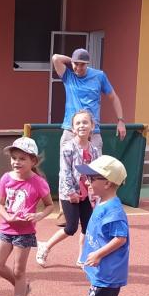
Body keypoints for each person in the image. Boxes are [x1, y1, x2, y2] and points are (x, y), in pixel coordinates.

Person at [51, 47, 126, 225]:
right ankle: (65, 211)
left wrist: (120, 120)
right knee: (65, 171)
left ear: (88, 64)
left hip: (94, 132)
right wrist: (73, 60)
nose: (78, 68)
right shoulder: (68, 75)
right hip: (70, 131)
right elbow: (55, 58)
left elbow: (113, 97)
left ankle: (97, 208)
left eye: (82, 65)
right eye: (76, 64)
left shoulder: (99, 76)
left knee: (97, 171)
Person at [0, 137, 53, 296]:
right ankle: (22, 286)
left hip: (25, 232)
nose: (16, 162)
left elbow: (50, 206)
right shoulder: (6, 178)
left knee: (19, 270)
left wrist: (38, 215)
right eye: (14, 158)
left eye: (22, 158)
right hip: (6, 228)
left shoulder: (38, 183)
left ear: (33, 161)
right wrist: (7, 217)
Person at [75, 156, 129, 296]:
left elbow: (120, 238)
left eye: (92, 178)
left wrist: (97, 254)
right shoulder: (102, 202)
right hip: (105, 271)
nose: (87, 182)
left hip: (107, 272)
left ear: (107, 183)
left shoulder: (113, 210)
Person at [36, 109, 100, 268]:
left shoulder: (94, 150)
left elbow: (96, 172)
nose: (81, 126)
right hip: (70, 194)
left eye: (85, 122)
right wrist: (71, 192)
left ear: (92, 126)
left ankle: (82, 257)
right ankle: (46, 246)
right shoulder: (68, 148)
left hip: (88, 195)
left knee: (88, 227)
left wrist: (95, 191)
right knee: (71, 227)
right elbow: (65, 172)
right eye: (78, 123)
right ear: (73, 128)